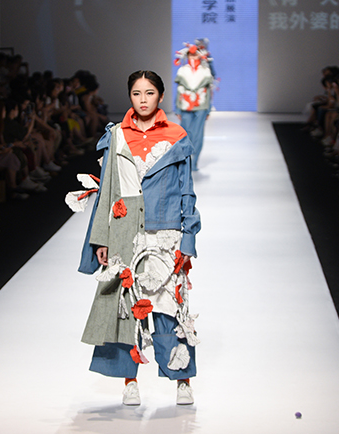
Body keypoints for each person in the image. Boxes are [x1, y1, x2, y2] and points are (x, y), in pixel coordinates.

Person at [74, 70, 201, 406]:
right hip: (125, 231)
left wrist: (188, 238)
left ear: (161, 96)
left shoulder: (176, 136)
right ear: (129, 96)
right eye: (136, 93)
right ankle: (129, 381)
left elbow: (187, 190)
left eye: (149, 93)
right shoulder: (116, 135)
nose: (143, 100)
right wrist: (102, 238)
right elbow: (107, 192)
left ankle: (182, 379)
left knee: (169, 307)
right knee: (125, 309)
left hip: (166, 233)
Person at [174, 42, 214, 171]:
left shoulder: (205, 71)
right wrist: (177, 108)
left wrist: (208, 109)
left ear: (200, 56)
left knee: (198, 134)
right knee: (185, 133)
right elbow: (179, 90)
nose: (193, 58)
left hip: (201, 105)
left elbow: (208, 91)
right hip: (185, 104)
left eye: (195, 55)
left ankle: (194, 161)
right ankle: (185, 160)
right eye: (191, 55)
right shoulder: (182, 70)